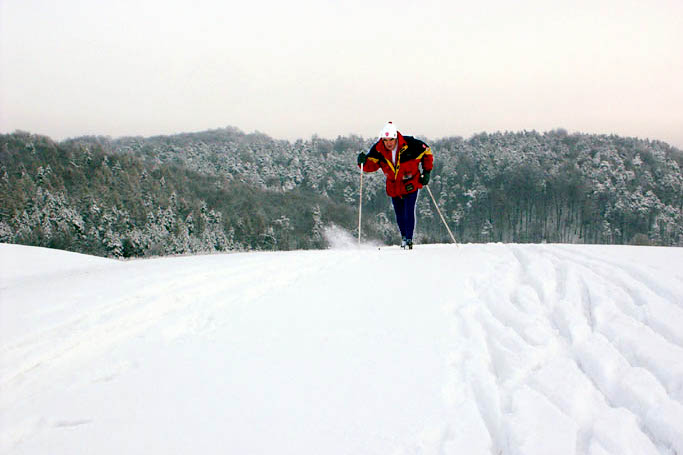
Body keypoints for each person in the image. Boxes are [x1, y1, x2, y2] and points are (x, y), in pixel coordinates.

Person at [357, 121, 433, 249]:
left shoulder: (411, 144)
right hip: (394, 186)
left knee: (409, 210)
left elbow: (427, 152)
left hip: (411, 183)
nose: (388, 143)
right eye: (385, 140)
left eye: (391, 140)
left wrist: (427, 172)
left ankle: (409, 239)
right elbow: (371, 165)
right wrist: (362, 162)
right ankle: (403, 237)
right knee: (399, 214)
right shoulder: (378, 149)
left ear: (396, 137)